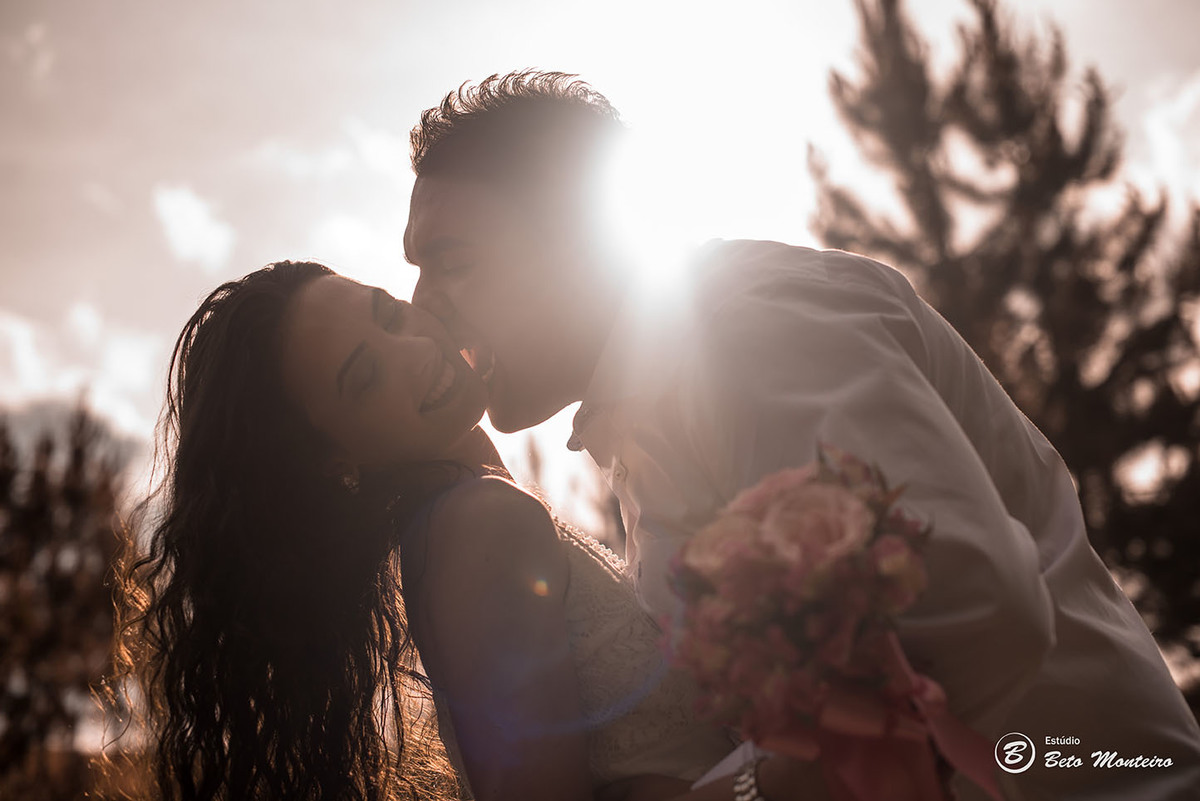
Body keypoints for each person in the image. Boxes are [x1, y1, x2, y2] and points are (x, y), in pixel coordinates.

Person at [403, 70, 1200, 800]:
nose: (422, 303)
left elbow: (965, 610)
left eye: (452, 261)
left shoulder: (747, 329)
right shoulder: (645, 406)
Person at [104, 260, 822, 801]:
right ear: (334, 460)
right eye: (366, 377)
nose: (415, 351)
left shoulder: (457, 520)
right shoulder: (479, 524)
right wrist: (777, 779)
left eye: (390, 314)